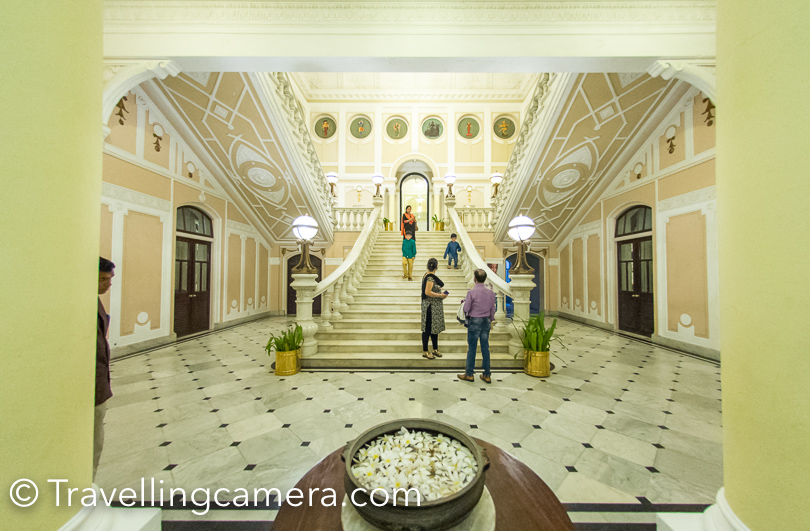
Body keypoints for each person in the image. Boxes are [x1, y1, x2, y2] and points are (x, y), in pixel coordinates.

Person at [95, 257, 115, 478]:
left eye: (110, 279)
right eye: (103, 279)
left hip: (99, 385)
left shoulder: (95, 302)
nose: (108, 283)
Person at [458, 268, 496, 384]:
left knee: (472, 348)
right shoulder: (491, 293)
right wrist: (491, 320)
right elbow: (493, 309)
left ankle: (469, 374)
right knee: (485, 348)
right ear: (485, 279)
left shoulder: (471, 292)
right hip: (486, 321)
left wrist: (464, 304)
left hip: (475, 321)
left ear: (475, 279)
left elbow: (466, 308)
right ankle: (487, 374)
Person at [421, 258, 447, 360]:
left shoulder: (426, 275)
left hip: (433, 306)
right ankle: (425, 351)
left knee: (434, 328)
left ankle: (435, 349)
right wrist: (440, 295)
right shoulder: (430, 278)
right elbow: (428, 292)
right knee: (427, 329)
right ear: (436, 267)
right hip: (430, 306)